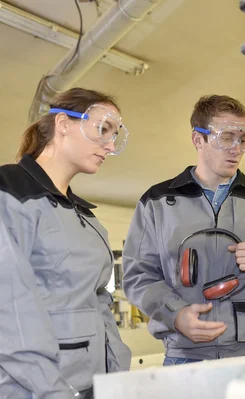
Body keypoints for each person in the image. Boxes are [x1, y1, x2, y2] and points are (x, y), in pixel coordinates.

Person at [122, 94, 245, 365]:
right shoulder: (157, 203)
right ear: (197, 139)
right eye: (226, 137)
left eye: (243, 138)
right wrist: (175, 314)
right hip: (184, 356)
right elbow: (137, 276)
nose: (237, 148)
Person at [0, 88, 132, 398]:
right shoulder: (10, 192)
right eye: (103, 130)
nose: (110, 146)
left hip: (89, 386)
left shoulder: (85, 216)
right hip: (34, 390)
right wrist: (52, 392)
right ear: (63, 124)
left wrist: (116, 382)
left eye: (115, 136)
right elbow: (9, 309)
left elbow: (99, 303)